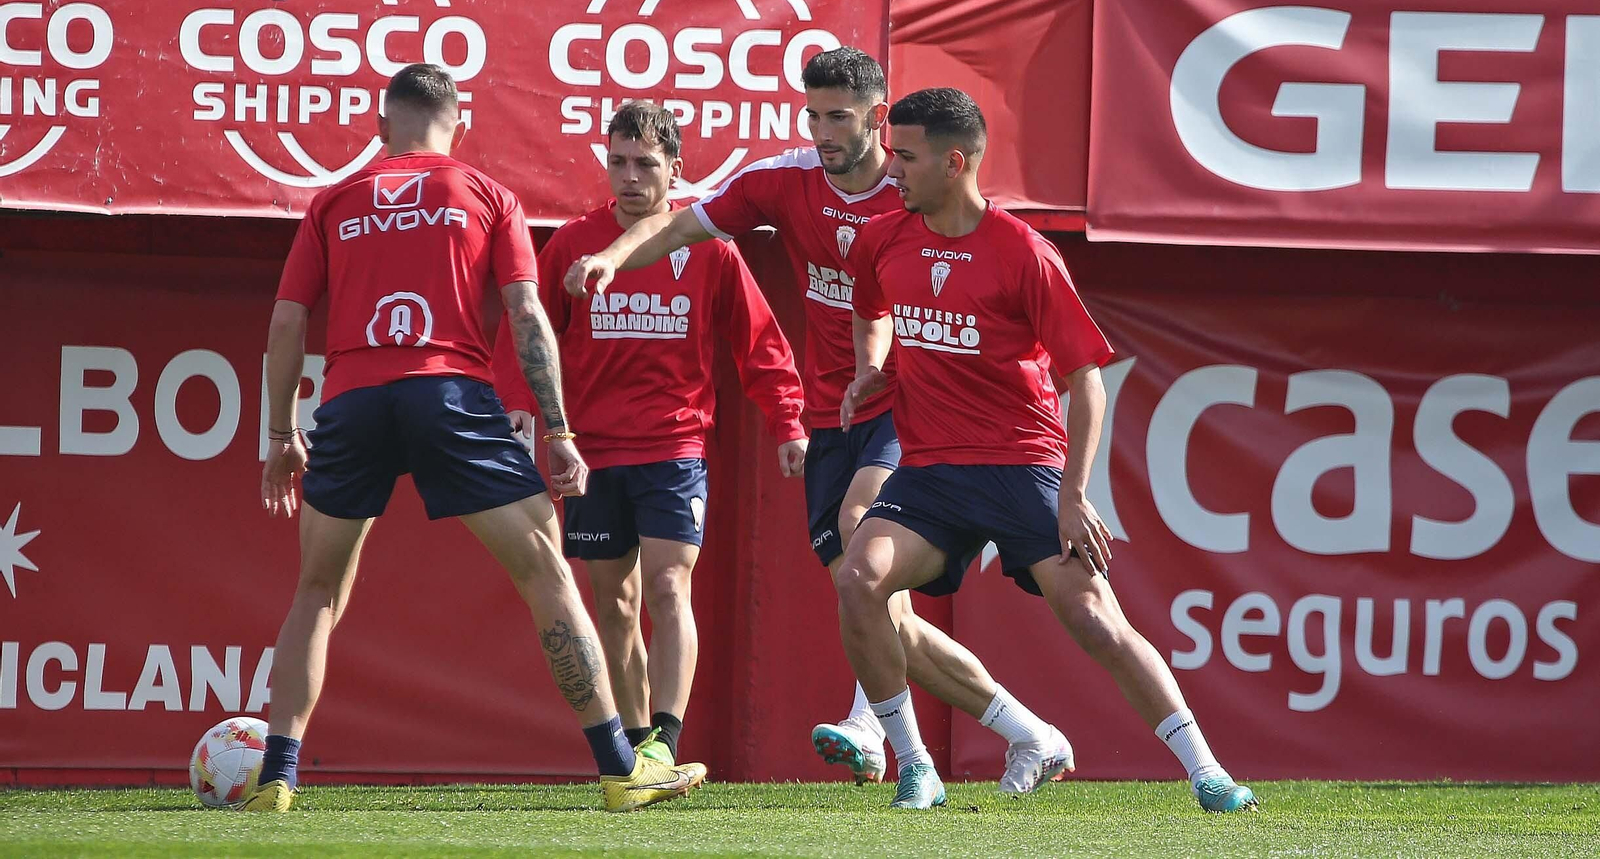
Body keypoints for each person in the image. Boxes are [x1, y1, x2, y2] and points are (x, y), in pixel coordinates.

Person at [563, 49, 1071, 794]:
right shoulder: (784, 182)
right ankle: (1029, 732)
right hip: (838, 417)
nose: (823, 129)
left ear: (877, 114)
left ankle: (877, 733)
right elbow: (678, 228)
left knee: (865, 538)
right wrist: (613, 255)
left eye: (839, 114)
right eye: (813, 114)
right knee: (869, 602)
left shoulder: (916, 189)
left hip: (907, 407)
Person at [252, 64, 707, 814]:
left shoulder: (333, 200)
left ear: (379, 127)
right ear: (460, 126)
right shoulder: (487, 194)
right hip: (448, 393)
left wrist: (279, 433)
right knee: (546, 575)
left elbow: (285, 323)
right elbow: (527, 317)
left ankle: (276, 777)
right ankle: (621, 767)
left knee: (318, 591)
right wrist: (558, 430)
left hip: (354, 397)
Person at [835, 86, 1257, 812]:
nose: (889, 169)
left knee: (1098, 621)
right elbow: (873, 310)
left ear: (955, 161)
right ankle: (914, 765)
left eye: (904, 156)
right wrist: (875, 368)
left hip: (1022, 466)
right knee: (857, 578)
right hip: (932, 470)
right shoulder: (882, 237)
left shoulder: (1024, 253)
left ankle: (1207, 771)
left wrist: (1071, 493)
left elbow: (1086, 384)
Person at [491, 101, 808, 766]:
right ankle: (638, 753)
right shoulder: (575, 242)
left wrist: (787, 419)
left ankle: (666, 738)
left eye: (644, 163)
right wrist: (522, 406)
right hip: (593, 451)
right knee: (616, 602)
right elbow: (525, 329)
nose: (630, 176)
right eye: (618, 162)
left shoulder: (707, 245)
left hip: (675, 448)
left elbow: (760, 343)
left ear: (675, 169)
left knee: (668, 587)